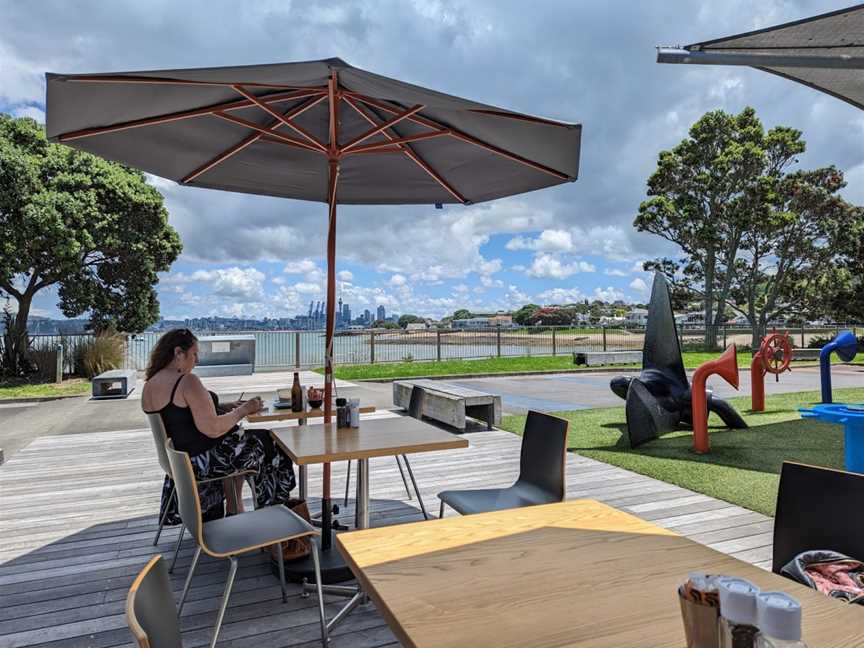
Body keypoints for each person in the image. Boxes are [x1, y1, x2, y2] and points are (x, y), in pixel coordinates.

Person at [141, 328, 296, 525]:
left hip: (183, 462)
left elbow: (180, 416)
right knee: (270, 443)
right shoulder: (187, 381)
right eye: (194, 354)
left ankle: (236, 508)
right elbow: (212, 428)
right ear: (178, 353)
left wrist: (223, 407)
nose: (196, 361)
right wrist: (244, 410)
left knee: (244, 441)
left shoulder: (150, 385)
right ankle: (272, 513)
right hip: (205, 462)